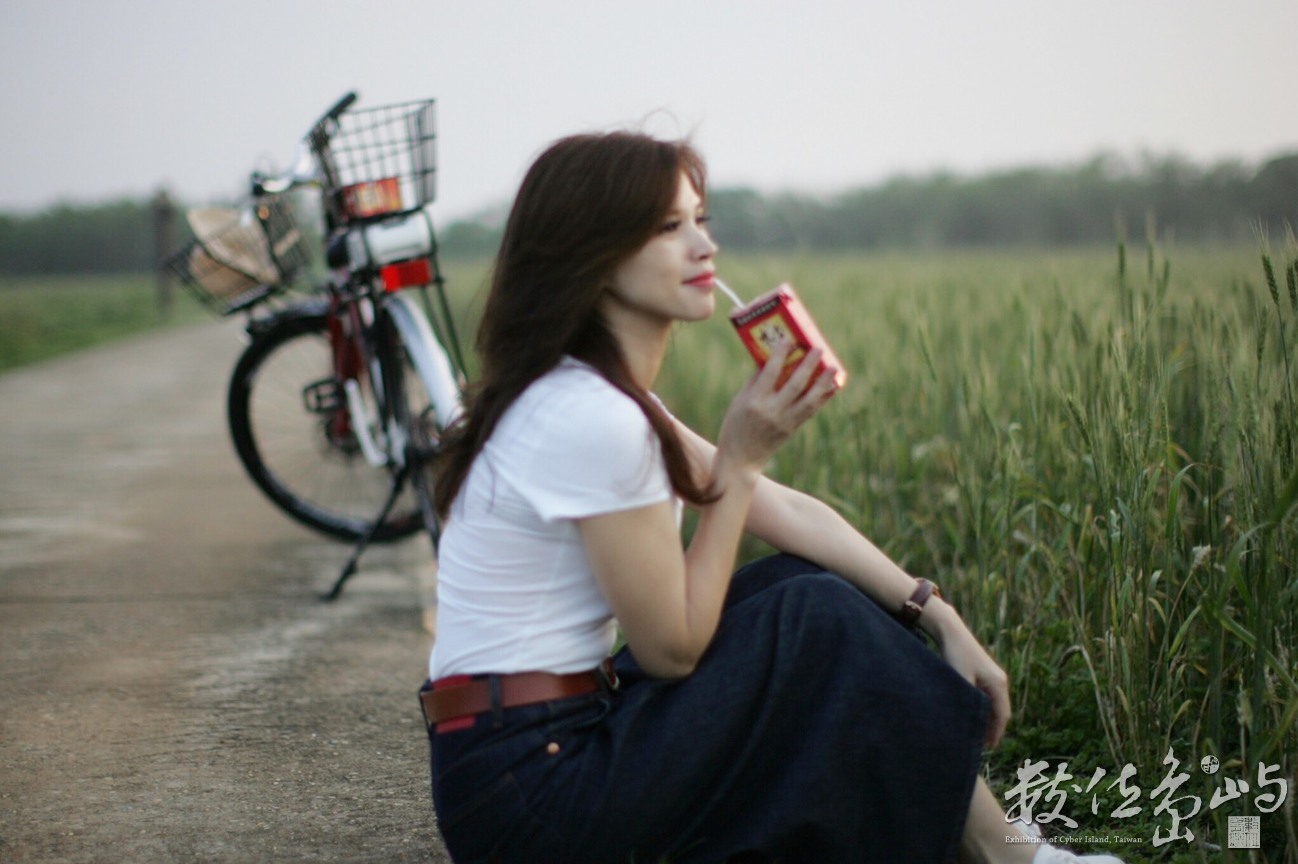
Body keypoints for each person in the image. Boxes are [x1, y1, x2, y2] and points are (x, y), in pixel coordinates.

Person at [419, 130, 1125, 864]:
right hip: (534, 790)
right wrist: (742, 461)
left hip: (536, 748)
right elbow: (669, 651)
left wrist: (935, 613)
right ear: (592, 258)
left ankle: (1011, 853)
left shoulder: (597, 397)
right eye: (669, 227)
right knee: (812, 618)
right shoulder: (592, 419)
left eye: (702, 219)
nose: (703, 246)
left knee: (799, 584)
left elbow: (787, 514)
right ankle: (1014, 858)